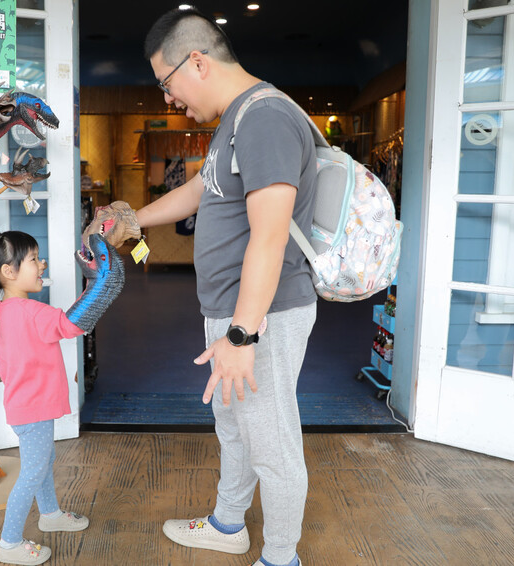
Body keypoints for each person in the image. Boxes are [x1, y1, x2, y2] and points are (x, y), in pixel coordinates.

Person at [92, 8, 319, 566]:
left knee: (272, 439)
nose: (167, 99)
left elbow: (268, 238)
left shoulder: (264, 118)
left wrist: (242, 336)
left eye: (166, 83)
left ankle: (281, 558)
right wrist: (133, 221)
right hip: (233, 313)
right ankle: (226, 525)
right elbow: (201, 190)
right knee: (237, 427)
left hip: (261, 315)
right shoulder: (235, 120)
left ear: (197, 61)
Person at [0, 227, 90, 566]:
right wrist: (99, 286)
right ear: (9, 272)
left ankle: (50, 513)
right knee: (33, 472)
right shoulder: (32, 313)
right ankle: (8, 542)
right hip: (34, 409)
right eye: (35, 259)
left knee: (43, 462)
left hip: (27, 407)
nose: (42, 264)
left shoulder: (10, 311)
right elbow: (73, 325)